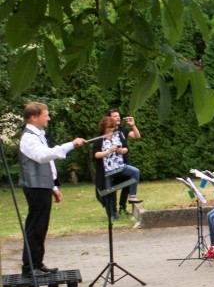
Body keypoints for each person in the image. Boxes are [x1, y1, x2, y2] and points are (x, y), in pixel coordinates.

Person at [17, 102, 86, 277]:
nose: (48, 117)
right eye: (45, 114)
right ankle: (29, 267)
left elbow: (48, 164)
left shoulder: (38, 135)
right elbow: (42, 156)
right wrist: (70, 144)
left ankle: (37, 264)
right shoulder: (28, 137)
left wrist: (53, 186)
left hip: (43, 186)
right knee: (35, 227)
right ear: (34, 117)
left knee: (41, 227)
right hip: (35, 186)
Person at [93, 116, 141, 211]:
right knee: (109, 192)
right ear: (103, 128)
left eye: (112, 128)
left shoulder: (117, 135)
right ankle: (112, 214)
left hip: (120, 166)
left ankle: (132, 196)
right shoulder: (99, 139)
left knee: (135, 172)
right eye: (109, 128)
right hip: (107, 171)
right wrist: (108, 152)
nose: (111, 130)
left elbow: (126, 148)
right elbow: (96, 154)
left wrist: (121, 150)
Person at [105, 108, 141, 214]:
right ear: (109, 118)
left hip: (124, 162)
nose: (118, 117)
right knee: (113, 188)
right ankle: (113, 211)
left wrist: (133, 125)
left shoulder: (122, 130)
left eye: (118, 116)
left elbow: (137, 136)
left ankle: (122, 207)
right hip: (111, 165)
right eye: (114, 116)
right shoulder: (107, 131)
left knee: (128, 183)